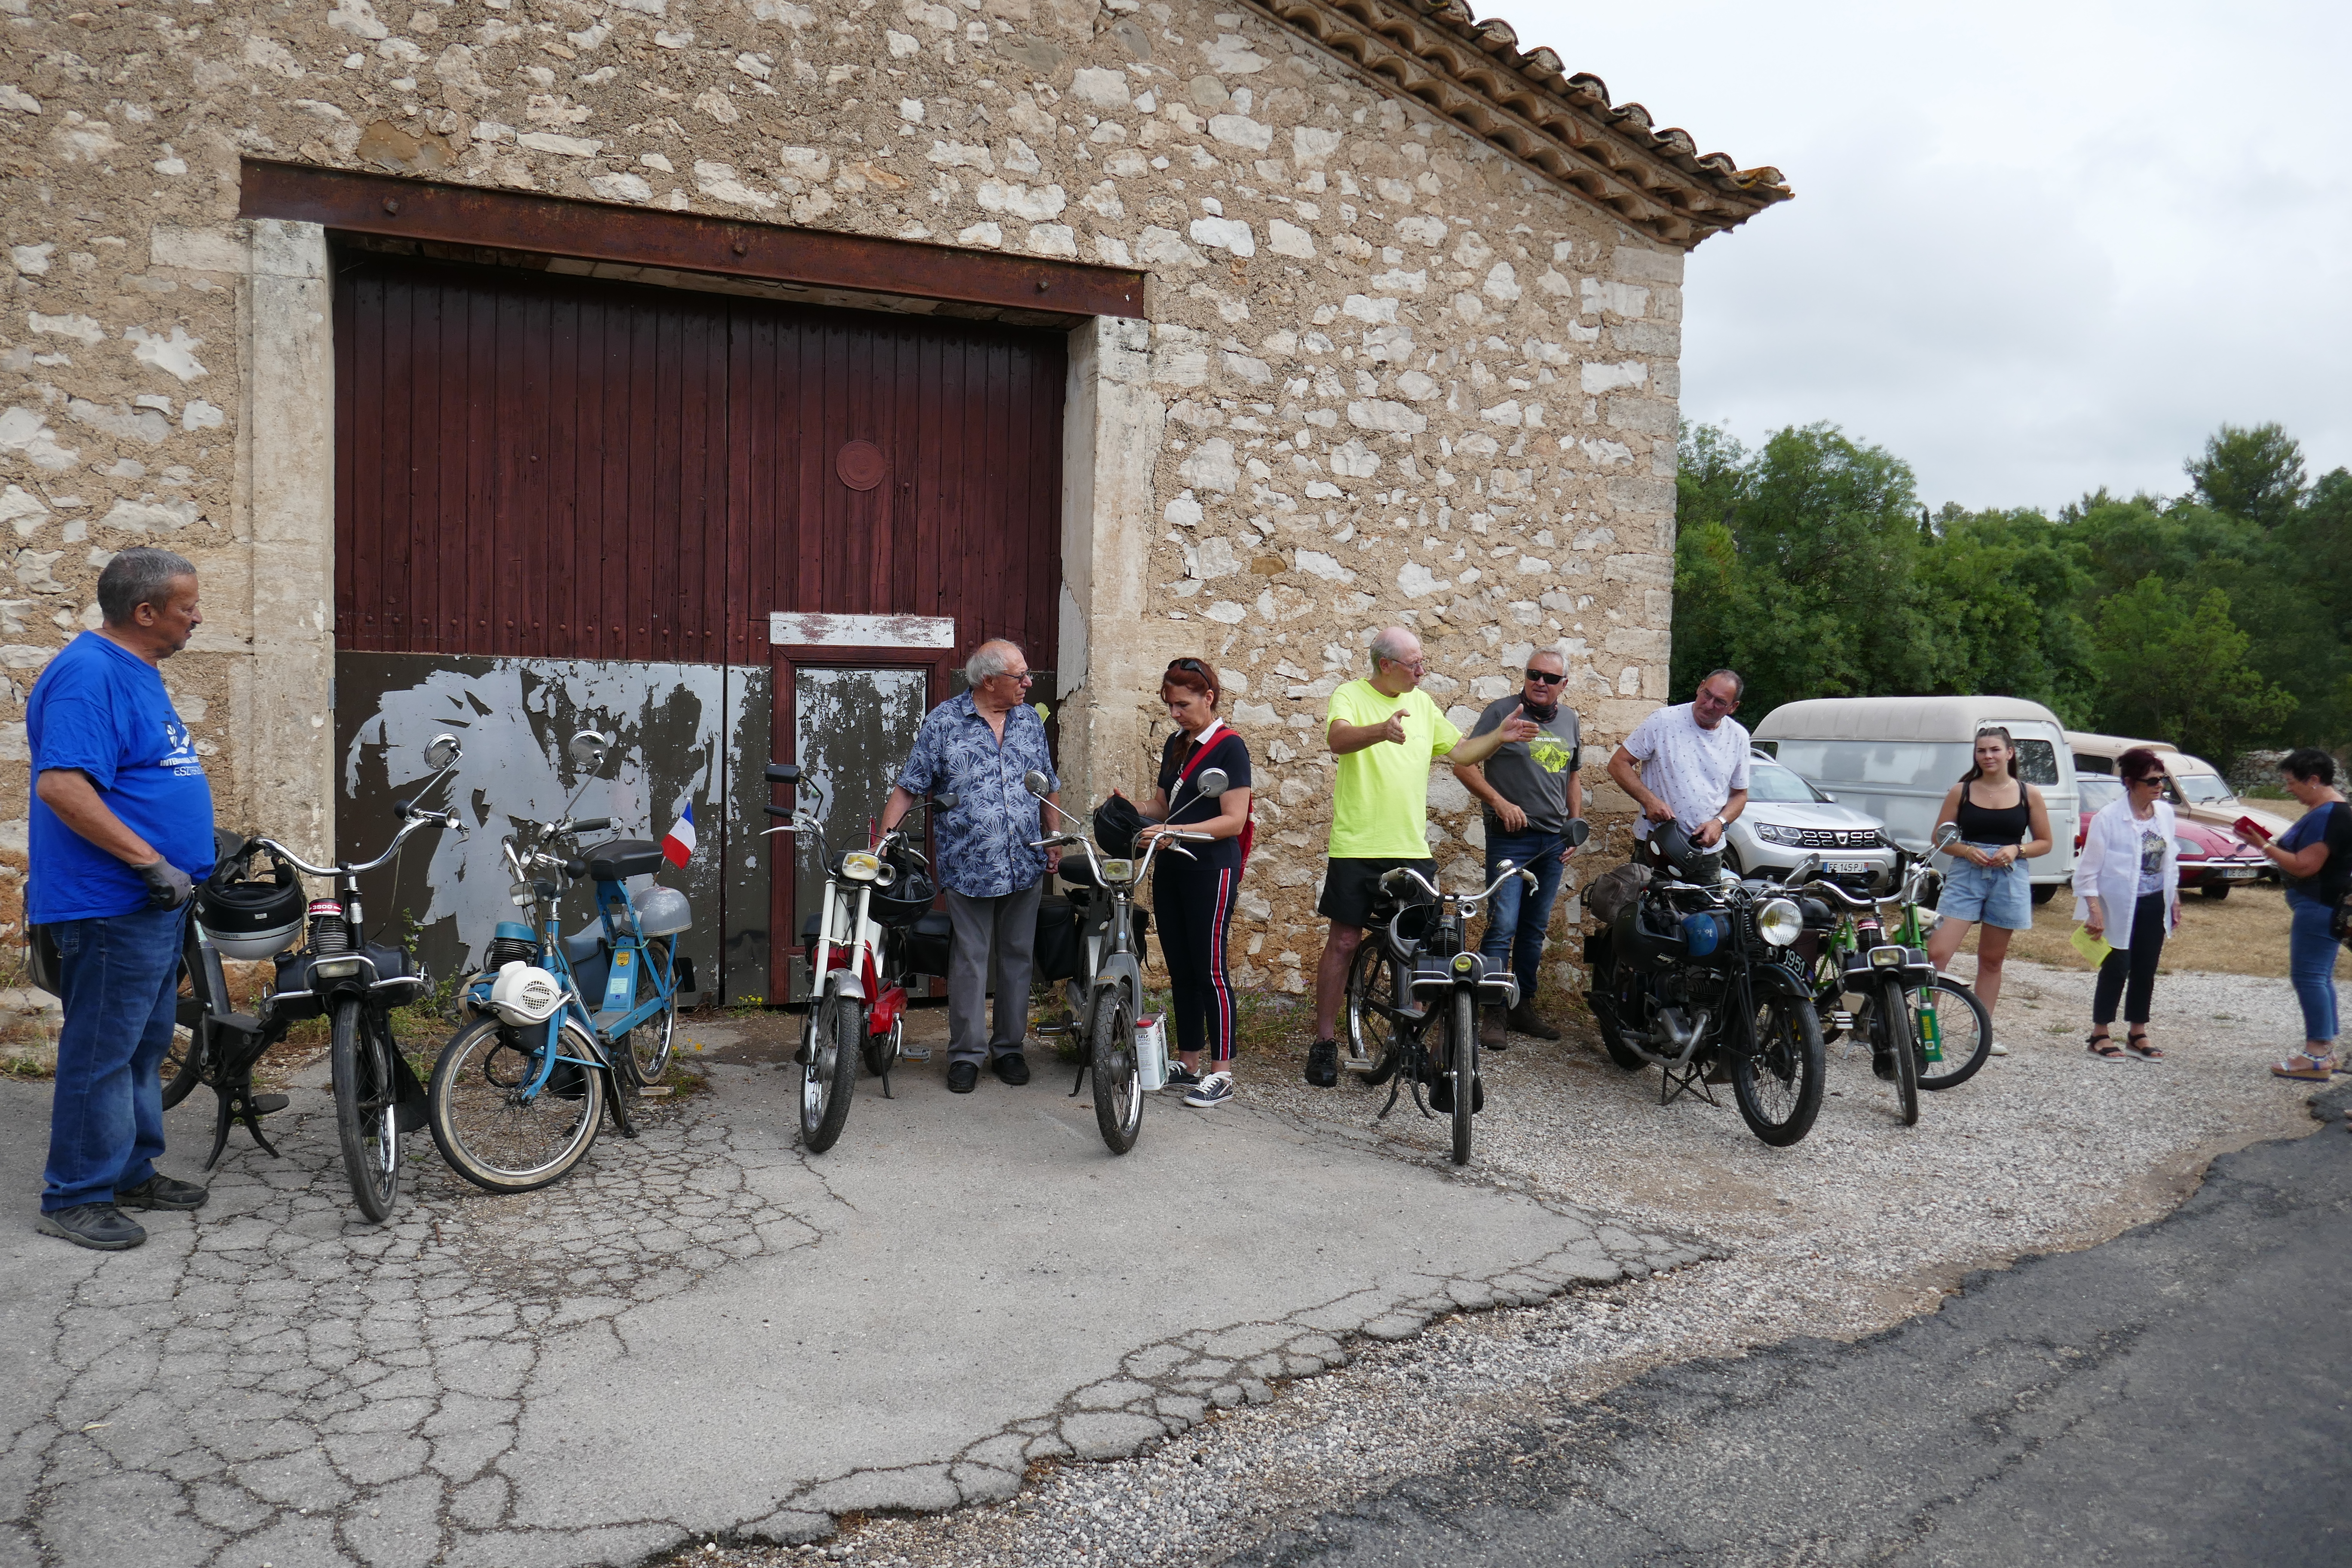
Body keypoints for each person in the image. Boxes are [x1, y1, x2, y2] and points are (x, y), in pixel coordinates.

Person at [28, 548, 215, 1250]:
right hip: (113, 900)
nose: (199, 616)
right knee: (103, 1051)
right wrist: (149, 861)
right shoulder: (89, 674)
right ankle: (75, 1192)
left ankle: (130, 1170)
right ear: (145, 612)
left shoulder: (137, 671)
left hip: (153, 902)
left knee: (141, 1046)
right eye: (187, 606)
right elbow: (63, 787)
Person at [1304, 625, 1537, 1090]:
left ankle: (1425, 1047)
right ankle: (1325, 1042)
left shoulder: (1425, 705)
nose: (1422, 670)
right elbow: (1339, 740)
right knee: (1345, 942)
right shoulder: (1350, 694)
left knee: (1429, 950)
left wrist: (1499, 737)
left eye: (1423, 661)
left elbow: (1463, 752)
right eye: (1414, 664)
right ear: (1385, 665)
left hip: (1411, 849)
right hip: (1357, 846)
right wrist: (1381, 731)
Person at [881, 640, 1061, 1095]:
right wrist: (883, 842)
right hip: (969, 863)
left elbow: (1048, 784)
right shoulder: (944, 722)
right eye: (1019, 676)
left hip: (1025, 859)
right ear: (988, 681)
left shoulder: (1029, 723)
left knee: (1018, 957)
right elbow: (909, 787)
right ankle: (966, 1055)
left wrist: (1054, 835)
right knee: (969, 961)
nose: (1028, 683)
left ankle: (1010, 1050)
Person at [1127, 658, 1253, 1109]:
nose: (1175, 713)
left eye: (1182, 704)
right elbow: (1164, 806)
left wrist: (1172, 833)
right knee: (1180, 967)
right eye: (1169, 705)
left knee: (1210, 970)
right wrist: (1131, 809)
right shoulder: (1175, 744)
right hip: (1173, 867)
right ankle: (1189, 1061)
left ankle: (1223, 1072)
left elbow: (1234, 820)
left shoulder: (1229, 748)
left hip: (1212, 868)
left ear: (1209, 698)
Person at [1452, 647, 1581, 1048]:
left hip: (1553, 841)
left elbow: (1573, 775)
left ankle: (1522, 1006)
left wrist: (1573, 826)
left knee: (1533, 929)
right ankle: (1492, 1011)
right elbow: (1463, 764)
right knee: (1504, 923)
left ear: (1563, 685)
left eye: (1550, 678)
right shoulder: (1502, 713)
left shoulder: (1571, 720)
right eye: (1533, 674)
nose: (1540, 682)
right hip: (1512, 838)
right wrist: (1499, 803)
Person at [1923, 727, 2055, 1060]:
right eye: (1982, 751)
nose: (1988, 756)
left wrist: (2017, 850)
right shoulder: (1962, 791)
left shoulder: (2029, 794)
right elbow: (1940, 838)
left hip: (2009, 876)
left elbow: (2045, 842)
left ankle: (1980, 1033)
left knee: (1992, 960)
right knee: (1936, 953)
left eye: (1995, 750)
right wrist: (1966, 851)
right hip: (1967, 875)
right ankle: (1924, 1030)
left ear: (2010, 753)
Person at [2236, 748, 2349, 1081]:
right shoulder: (2329, 811)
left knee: (2309, 977)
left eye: (2291, 783)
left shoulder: (2328, 814)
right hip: (2326, 903)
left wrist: (2263, 845)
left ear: (2314, 780)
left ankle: (2315, 1054)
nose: (2287, 789)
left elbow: (2305, 866)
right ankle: (2325, 1050)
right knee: (2321, 976)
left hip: (2319, 904)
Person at [2073, 747, 2178, 1062]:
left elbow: (2169, 861)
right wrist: (2094, 911)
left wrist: (2174, 899)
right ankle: (2100, 1033)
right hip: (2118, 905)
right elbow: (2087, 872)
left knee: (2146, 968)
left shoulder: (2165, 814)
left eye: (2163, 780)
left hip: (2153, 901)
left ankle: (2137, 1032)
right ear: (2131, 783)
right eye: (2152, 781)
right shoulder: (2108, 818)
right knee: (2117, 965)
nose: (2160, 786)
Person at [1605, 669, 1752, 866]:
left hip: (1705, 853)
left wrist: (1720, 823)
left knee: (1703, 898)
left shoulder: (1739, 737)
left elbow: (1740, 795)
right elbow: (1618, 764)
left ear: (1733, 707)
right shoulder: (1663, 721)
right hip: (1655, 845)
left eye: (1720, 702)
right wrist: (1649, 801)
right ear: (1700, 687)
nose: (1709, 705)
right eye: (1707, 694)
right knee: (1642, 897)